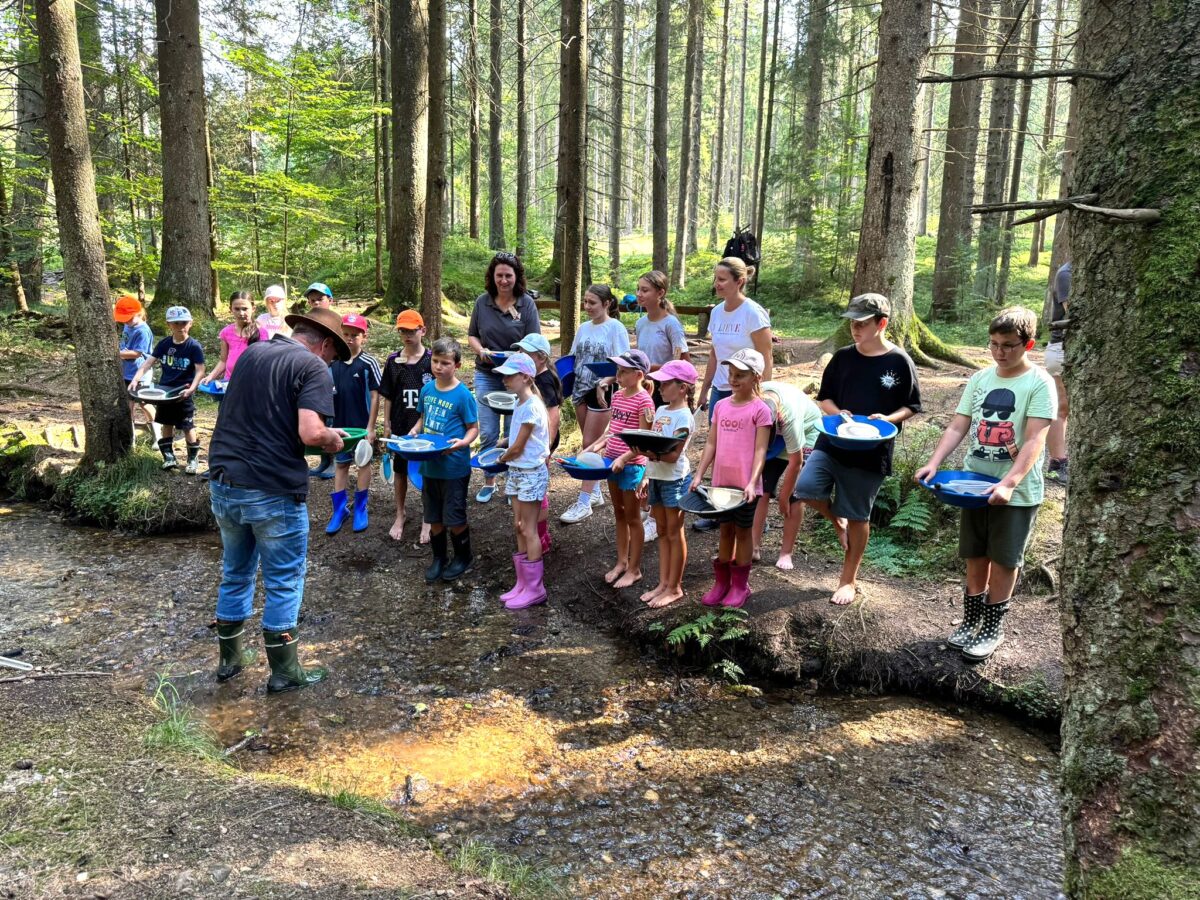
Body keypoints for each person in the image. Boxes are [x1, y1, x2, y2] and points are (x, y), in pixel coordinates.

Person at [205, 306, 348, 693]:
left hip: (223, 479)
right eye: (336, 354)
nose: (333, 362)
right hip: (271, 488)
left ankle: (229, 662)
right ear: (325, 344)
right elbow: (309, 432)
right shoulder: (312, 367)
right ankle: (285, 672)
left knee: (236, 571)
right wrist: (332, 439)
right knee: (284, 579)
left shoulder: (253, 352)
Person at [915, 307, 1055, 661]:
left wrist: (1009, 482)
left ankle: (992, 628)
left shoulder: (1040, 383)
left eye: (1008, 346)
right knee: (975, 555)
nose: (999, 353)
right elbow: (958, 425)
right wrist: (934, 463)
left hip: (1016, 492)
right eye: (993, 344)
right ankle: (970, 620)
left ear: (1028, 344)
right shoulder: (980, 379)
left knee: (1005, 559)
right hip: (972, 485)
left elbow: (1036, 439)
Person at [792, 293, 921, 605]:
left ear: (882, 324)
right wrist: (839, 414)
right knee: (805, 488)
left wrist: (887, 418)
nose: (855, 328)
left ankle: (848, 581)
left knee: (859, 515)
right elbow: (824, 399)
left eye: (862, 323)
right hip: (833, 441)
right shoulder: (843, 357)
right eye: (852, 321)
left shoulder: (899, 361)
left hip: (872, 451)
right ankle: (839, 520)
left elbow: (912, 406)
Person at [690, 349, 773, 609]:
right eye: (731, 373)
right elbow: (712, 442)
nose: (734, 379)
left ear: (756, 378)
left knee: (743, 532)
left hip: (746, 486)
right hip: (720, 483)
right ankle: (721, 583)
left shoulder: (760, 410)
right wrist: (700, 473)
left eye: (741, 375)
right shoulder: (721, 406)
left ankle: (740, 585)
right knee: (725, 530)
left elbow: (761, 449)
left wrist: (752, 481)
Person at [467, 252, 541, 503]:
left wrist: (515, 356)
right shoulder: (482, 302)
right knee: (488, 431)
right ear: (492, 277)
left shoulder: (526, 304)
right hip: (487, 373)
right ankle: (490, 480)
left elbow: (534, 342)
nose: (504, 280)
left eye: (508, 275)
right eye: (499, 275)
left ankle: (512, 481)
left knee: (513, 430)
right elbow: (472, 335)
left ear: (516, 277)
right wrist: (481, 351)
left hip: (516, 376)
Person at [581, 349, 655, 588]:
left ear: (639, 374)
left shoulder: (645, 401)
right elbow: (612, 429)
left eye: (623, 371)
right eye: (617, 371)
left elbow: (644, 441)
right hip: (611, 463)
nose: (618, 375)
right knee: (619, 513)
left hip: (631, 466)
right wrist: (593, 447)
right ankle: (621, 562)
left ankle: (635, 569)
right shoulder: (618, 396)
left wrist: (624, 458)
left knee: (634, 517)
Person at [411, 337, 480, 583]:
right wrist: (414, 431)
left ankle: (463, 556)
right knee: (434, 516)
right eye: (436, 361)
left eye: (445, 363)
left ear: (457, 365)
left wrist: (464, 442)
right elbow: (422, 418)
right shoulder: (427, 389)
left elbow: (473, 428)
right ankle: (439, 557)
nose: (439, 367)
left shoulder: (463, 395)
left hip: (454, 466)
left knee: (455, 516)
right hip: (430, 465)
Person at [560, 285, 630, 524]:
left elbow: (624, 363)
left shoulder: (615, 328)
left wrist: (606, 382)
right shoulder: (583, 328)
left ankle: (583, 501)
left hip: (601, 391)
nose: (587, 307)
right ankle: (596, 492)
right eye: (585, 302)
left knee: (591, 443)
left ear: (607, 303)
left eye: (592, 303)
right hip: (580, 388)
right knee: (588, 442)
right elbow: (573, 357)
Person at [639, 359, 698, 608]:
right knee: (662, 531)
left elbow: (673, 455)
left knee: (674, 533)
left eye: (665, 383)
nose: (660, 386)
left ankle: (675, 587)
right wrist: (645, 474)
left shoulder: (684, 417)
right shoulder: (661, 410)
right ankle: (663, 583)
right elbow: (650, 439)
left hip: (674, 480)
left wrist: (650, 454)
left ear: (682, 388)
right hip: (657, 477)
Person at [495, 353, 551, 609]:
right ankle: (521, 583)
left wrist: (501, 457)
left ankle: (535, 587)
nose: (505, 380)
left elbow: (520, 446)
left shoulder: (532, 405)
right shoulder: (520, 403)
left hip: (530, 472)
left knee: (529, 529)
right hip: (517, 471)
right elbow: (516, 439)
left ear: (526, 377)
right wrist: (505, 444)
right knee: (518, 525)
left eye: (510, 375)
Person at [129, 306, 206, 473]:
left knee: (187, 425)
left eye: (184, 322)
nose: (180, 326)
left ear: (190, 323)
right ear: (169, 325)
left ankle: (192, 460)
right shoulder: (164, 344)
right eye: (175, 323)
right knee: (166, 423)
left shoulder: (194, 346)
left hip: (183, 392)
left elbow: (200, 370)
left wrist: (192, 388)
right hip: (164, 392)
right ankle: (169, 457)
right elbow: (148, 362)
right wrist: (135, 379)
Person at [756, 380, 823, 569]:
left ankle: (786, 553)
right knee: (762, 487)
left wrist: (783, 498)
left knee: (795, 495)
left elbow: (796, 462)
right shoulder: (752, 403)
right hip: (774, 435)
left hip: (807, 430)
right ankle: (753, 546)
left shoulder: (789, 417)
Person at [380, 309, 433, 543]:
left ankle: (427, 517)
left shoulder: (432, 360)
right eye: (402, 330)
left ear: (422, 330)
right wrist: (387, 424)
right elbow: (388, 395)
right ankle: (400, 514)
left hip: (427, 425)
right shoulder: (393, 362)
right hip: (401, 424)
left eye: (411, 330)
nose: (407, 335)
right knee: (400, 470)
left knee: (427, 471)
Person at [325, 314, 381, 535]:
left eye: (354, 335)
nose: (349, 339)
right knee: (341, 465)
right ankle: (339, 509)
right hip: (339, 425)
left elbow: (376, 396)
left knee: (363, 463)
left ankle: (360, 506)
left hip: (361, 425)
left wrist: (371, 427)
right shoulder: (333, 361)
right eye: (345, 334)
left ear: (363, 337)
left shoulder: (368, 363)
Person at [697, 257, 773, 416]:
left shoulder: (753, 313)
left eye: (722, 279)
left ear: (740, 281)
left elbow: (766, 357)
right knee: (717, 438)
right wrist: (704, 390)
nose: (716, 283)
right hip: (719, 389)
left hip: (747, 390)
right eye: (716, 278)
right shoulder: (717, 312)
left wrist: (763, 394)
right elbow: (714, 355)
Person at [511, 333, 562, 555]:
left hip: (540, 448)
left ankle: (540, 536)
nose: (521, 355)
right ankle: (536, 533)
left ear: (541, 358)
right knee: (534, 493)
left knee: (537, 494)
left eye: (526, 353)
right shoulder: (532, 379)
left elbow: (553, 415)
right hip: (532, 444)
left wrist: (547, 448)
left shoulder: (545, 380)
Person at [634, 270, 690, 396]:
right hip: (643, 385)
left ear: (660, 293)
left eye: (645, 290)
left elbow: (680, 362)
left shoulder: (671, 324)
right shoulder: (640, 323)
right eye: (638, 289)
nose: (639, 294)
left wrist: (650, 368)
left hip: (666, 386)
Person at [305, 282, 337, 479]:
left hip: (332, 373)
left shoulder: (335, 322)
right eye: (312, 300)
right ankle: (323, 460)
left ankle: (333, 460)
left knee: (331, 416)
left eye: (320, 299)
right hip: (312, 374)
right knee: (317, 416)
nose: (316, 302)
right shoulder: (308, 322)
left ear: (330, 300)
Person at [203, 291, 269, 386]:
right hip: (230, 383)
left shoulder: (261, 333)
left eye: (245, 309)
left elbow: (264, 362)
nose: (241, 313)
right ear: (231, 309)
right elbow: (223, 361)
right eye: (237, 309)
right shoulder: (226, 332)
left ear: (253, 308)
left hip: (252, 384)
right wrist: (210, 376)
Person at [1045, 261, 1071, 484]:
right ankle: (1057, 462)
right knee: (1061, 408)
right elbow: (1072, 310)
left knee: (1067, 408)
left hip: (1073, 349)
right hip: (1061, 348)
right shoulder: (1067, 273)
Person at [114, 294, 155, 428]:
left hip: (140, 374)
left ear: (138, 314)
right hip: (126, 372)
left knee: (144, 403)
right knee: (127, 405)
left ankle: (156, 428)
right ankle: (130, 434)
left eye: (128, 319)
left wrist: (116, 354)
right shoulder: (128, 326)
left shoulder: (142, 331)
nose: (125, 322)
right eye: (123, 320)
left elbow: (137, 353)